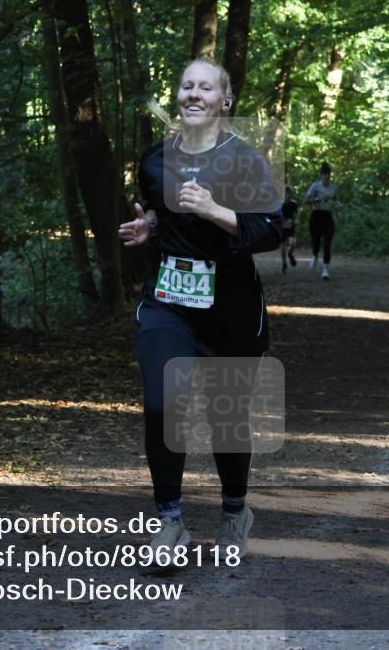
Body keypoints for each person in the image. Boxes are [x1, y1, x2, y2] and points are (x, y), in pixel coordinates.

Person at [118, 58, 282, 562]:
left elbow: (273, 229)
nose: (193, 93)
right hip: (169, 302)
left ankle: (235, 511)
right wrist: (151, 231)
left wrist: (214, 210)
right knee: (161, 403)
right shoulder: (154, 162)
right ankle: (169, 523)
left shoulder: (246, 161)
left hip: (231, 309)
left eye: (205, 87)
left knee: (226, 418)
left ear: (224, 101)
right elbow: (161, 219)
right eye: (186, 84)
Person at [305, 162, 338, 281]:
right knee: (316, 241)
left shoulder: (334, 188)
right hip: (316, 216)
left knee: (327, 242)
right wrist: (318, 199)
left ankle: (325, 270)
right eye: (324, 174)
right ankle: (314, 255)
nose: (326, 176)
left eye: (328, 174)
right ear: (321, 175)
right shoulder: (315, 186)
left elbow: (336, 200)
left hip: (327, 216)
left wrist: (338, 205)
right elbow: (306, 200)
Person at [280, 185, 299, 273]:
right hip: (282, 227)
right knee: (283, 246)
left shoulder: (294, 203)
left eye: (288, 193)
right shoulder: (279, 204)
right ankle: (284, 264)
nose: (287, 195)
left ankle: (290, 254)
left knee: (293, 243)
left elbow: (296, 214)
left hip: (291, 226)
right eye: (285, 193)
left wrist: (296, 220)